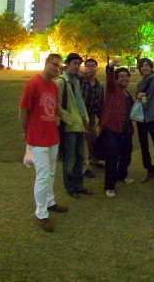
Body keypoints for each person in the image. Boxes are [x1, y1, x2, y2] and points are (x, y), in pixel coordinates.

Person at [19, 53, 68, 232]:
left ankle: (50, 201)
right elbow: (23, 109)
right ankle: (41, 214)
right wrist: (26, 132)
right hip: (38, 138)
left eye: (59, 66)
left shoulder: (53, 85)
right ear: (46, 63)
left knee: (51, 172)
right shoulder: (33, 83)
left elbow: (53, 109)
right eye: (53, 64)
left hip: (52, 136)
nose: (56, 68)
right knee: (42, 175)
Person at [56, 53, 93, 199]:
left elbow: (79, 102)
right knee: (70, 158)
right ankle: (70, 186)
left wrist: (84, 120)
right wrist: (69, 119)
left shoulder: (75, 81)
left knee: (80, 157)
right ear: (67, 64)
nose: (77, 66)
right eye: (74, 63)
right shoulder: (61, 82)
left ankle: (79, 185)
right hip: (69, 127)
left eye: (79, 64)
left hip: (79, 125)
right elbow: (57, 105)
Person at [100, 59, 135, 198]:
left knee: (126, 155)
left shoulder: (128, 94)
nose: (124, 78)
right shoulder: (112, 89)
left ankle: (122, 175)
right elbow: (109, 77)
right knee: (112, 158)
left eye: (126, 76)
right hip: (112, 129)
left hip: (126, 130)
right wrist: (111, 66)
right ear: (116, 79)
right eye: (121, 76)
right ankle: (109, 186)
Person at [80, 58, 104, 177]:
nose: (90, 68)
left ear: (97, 68)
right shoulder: (79, 80)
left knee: (92, 140)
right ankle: (83, 167)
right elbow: (65, 73)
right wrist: (79, 74)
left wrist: (102, 119)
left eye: (93, 66)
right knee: (80, 142)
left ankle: (94, 160)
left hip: (91, 117)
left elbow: (101, 103)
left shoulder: (99, 86)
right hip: (79, 117)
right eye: (88, 66)